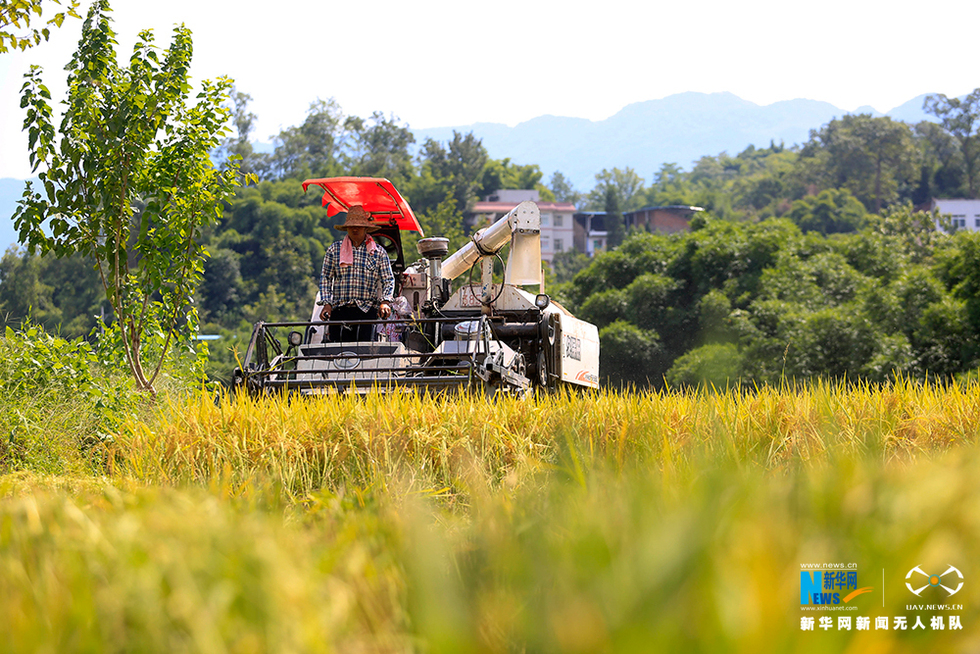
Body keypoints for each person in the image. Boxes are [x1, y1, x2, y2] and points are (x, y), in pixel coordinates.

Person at [317, 205, 395, 342]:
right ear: (346, 228)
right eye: (351, 226)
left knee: (364, 353)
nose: (355, 229)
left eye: (359, 226)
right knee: (338, 353)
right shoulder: (334, 250)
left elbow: (388, 280)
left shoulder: (378, 252)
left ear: (366, 228)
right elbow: (326, 278)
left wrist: (385, 301)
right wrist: (327, 303)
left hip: (366, 310)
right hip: (339, 310)